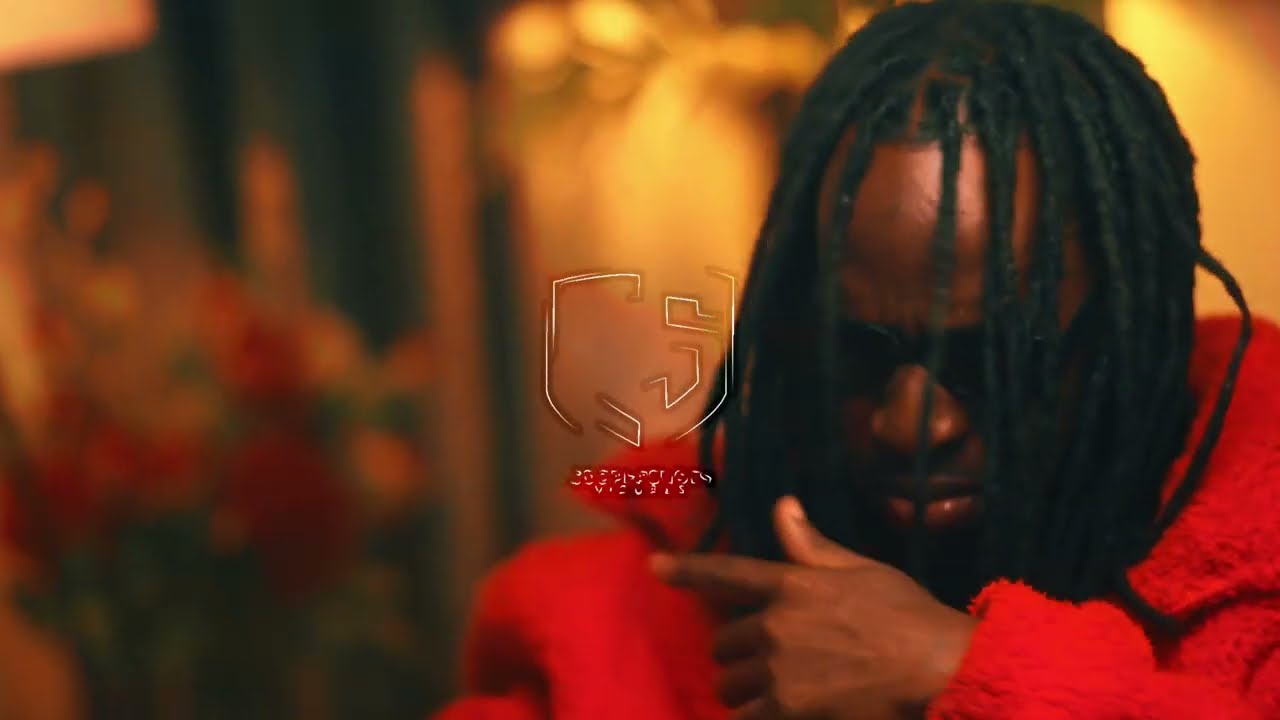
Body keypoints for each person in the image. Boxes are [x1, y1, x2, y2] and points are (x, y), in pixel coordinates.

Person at [436, 1, 1280, 718]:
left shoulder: (1260, 587)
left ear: (1131, 337)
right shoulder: (606, 627)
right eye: (861, 352)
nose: (913, 424)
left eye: (989, 360)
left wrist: (964, 677)